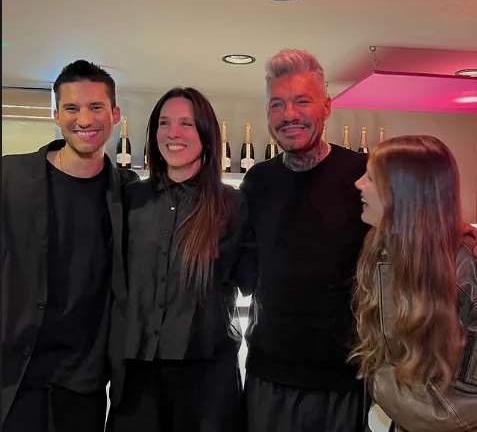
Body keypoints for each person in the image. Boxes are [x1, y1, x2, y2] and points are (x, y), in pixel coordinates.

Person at [107, 87, 255, 432]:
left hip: (208, 382)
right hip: (137, 380)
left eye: (186, 123)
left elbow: (252, 281)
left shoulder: (232, 205)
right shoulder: (129, 200)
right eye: (164, 123)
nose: (173, 133)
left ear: (206, 133)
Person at [2, 60, 137, 432]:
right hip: (14, 377)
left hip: (83, 386)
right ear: (56, 115)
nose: (85, 119)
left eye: (96, 107)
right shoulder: (9, 177)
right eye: (72, 108)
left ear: (115, 114)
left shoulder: (129, 193)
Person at [242, 49, 371, 432]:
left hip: (345, 378)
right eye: (277, 104)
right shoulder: (258, 181)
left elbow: (410, 232)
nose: (289, 114)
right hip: (269, 374)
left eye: (302, 101)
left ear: (327, 107)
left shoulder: (364, 175)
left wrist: (458, 232)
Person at [351, 135, 477, 432]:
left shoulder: (465, 270)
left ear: (404, 192)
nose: (358, 183)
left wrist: (380, 383)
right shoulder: (380, 247)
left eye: (371, 177)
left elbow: (462, 406)